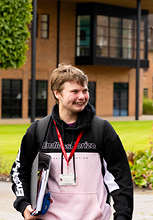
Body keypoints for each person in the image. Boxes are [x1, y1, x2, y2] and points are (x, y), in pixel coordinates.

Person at [10, 64, 133, 220]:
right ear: (57, 94)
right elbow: (20, 171)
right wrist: (24, 203)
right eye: (74, 91)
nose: (82, 97)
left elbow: (121, 178)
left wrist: (123, 216)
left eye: (85, 91)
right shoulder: (38, 130)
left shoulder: (102, 129)